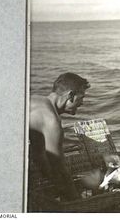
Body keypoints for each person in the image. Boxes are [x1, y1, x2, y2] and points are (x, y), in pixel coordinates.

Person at [29, 72, 90, 203]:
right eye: (81, 98)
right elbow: (59, 168)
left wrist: (53, 186)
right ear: (70, 95)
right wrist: (76, 200)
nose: (82, 103)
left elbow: (39, 156)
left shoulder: (35, 99)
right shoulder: (51, 121)